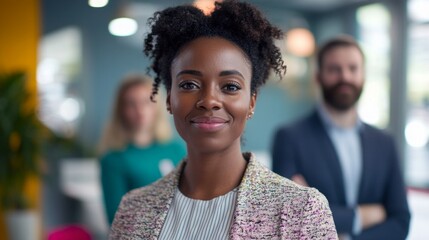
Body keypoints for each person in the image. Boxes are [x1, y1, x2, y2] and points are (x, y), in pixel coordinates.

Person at [110, 1, 338, 239]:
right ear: (169, 100)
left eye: (230, 86)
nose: (209, 100)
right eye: (189, 85)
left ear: (251, 102)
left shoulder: (301, 211)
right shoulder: (133, 209)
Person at [272, 36, 410, 239]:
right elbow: (288, 217)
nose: (345, 76)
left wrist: (318, 214)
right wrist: (359, 216)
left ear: (363, 75)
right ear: (318, 77)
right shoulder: (289, 138)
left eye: (353, 68)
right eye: (335, 69)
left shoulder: (385, 143)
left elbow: (400, 221)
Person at [98, 74, 186, 224]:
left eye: (146, 102)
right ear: (121, 110)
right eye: (131, 104)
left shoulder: (176, 149)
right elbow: (115, 217)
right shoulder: (114, 159)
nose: (140, 110)